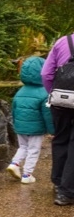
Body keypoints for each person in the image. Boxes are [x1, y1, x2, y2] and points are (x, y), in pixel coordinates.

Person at [6, 56, 54, 184]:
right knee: (33, 150)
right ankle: (27, 175)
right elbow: (47, 114)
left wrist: (16, 125)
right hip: (36, 129)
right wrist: (52, 130)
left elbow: (14, 110)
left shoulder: (20, 92)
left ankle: (14, 163)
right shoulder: (44, 93)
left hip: (20, 127)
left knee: (23, 147)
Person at [41, 33, 74, 205]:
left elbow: (46, 74)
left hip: (60, 101)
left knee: (60, 139)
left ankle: (57, 182)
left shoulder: (63, 42)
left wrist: (53, 95)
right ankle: (67, 192)